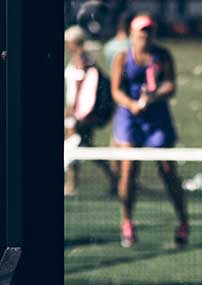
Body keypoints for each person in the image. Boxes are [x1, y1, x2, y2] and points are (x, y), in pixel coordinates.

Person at [110, 13, 189, 248]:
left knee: (167, 170)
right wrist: (132, 104)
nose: (145, 36)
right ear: (133, 35)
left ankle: (183, 221)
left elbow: (171, 85)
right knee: (128, 172)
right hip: (130, 118)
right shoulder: (123, 58)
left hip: (157, 118)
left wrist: (153, 97)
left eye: (149, 31)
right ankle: (127, 223)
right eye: (141, 32)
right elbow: (116, 90)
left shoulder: (162, 55)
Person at [64, 25, 118, 196]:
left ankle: (72, 184)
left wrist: (72, 110)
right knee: (83, 148)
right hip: (78, 112)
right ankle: (112, 177)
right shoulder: (82, 58)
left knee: (75, 147)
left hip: (78, 114)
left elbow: (83, 87)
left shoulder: (81, 60)